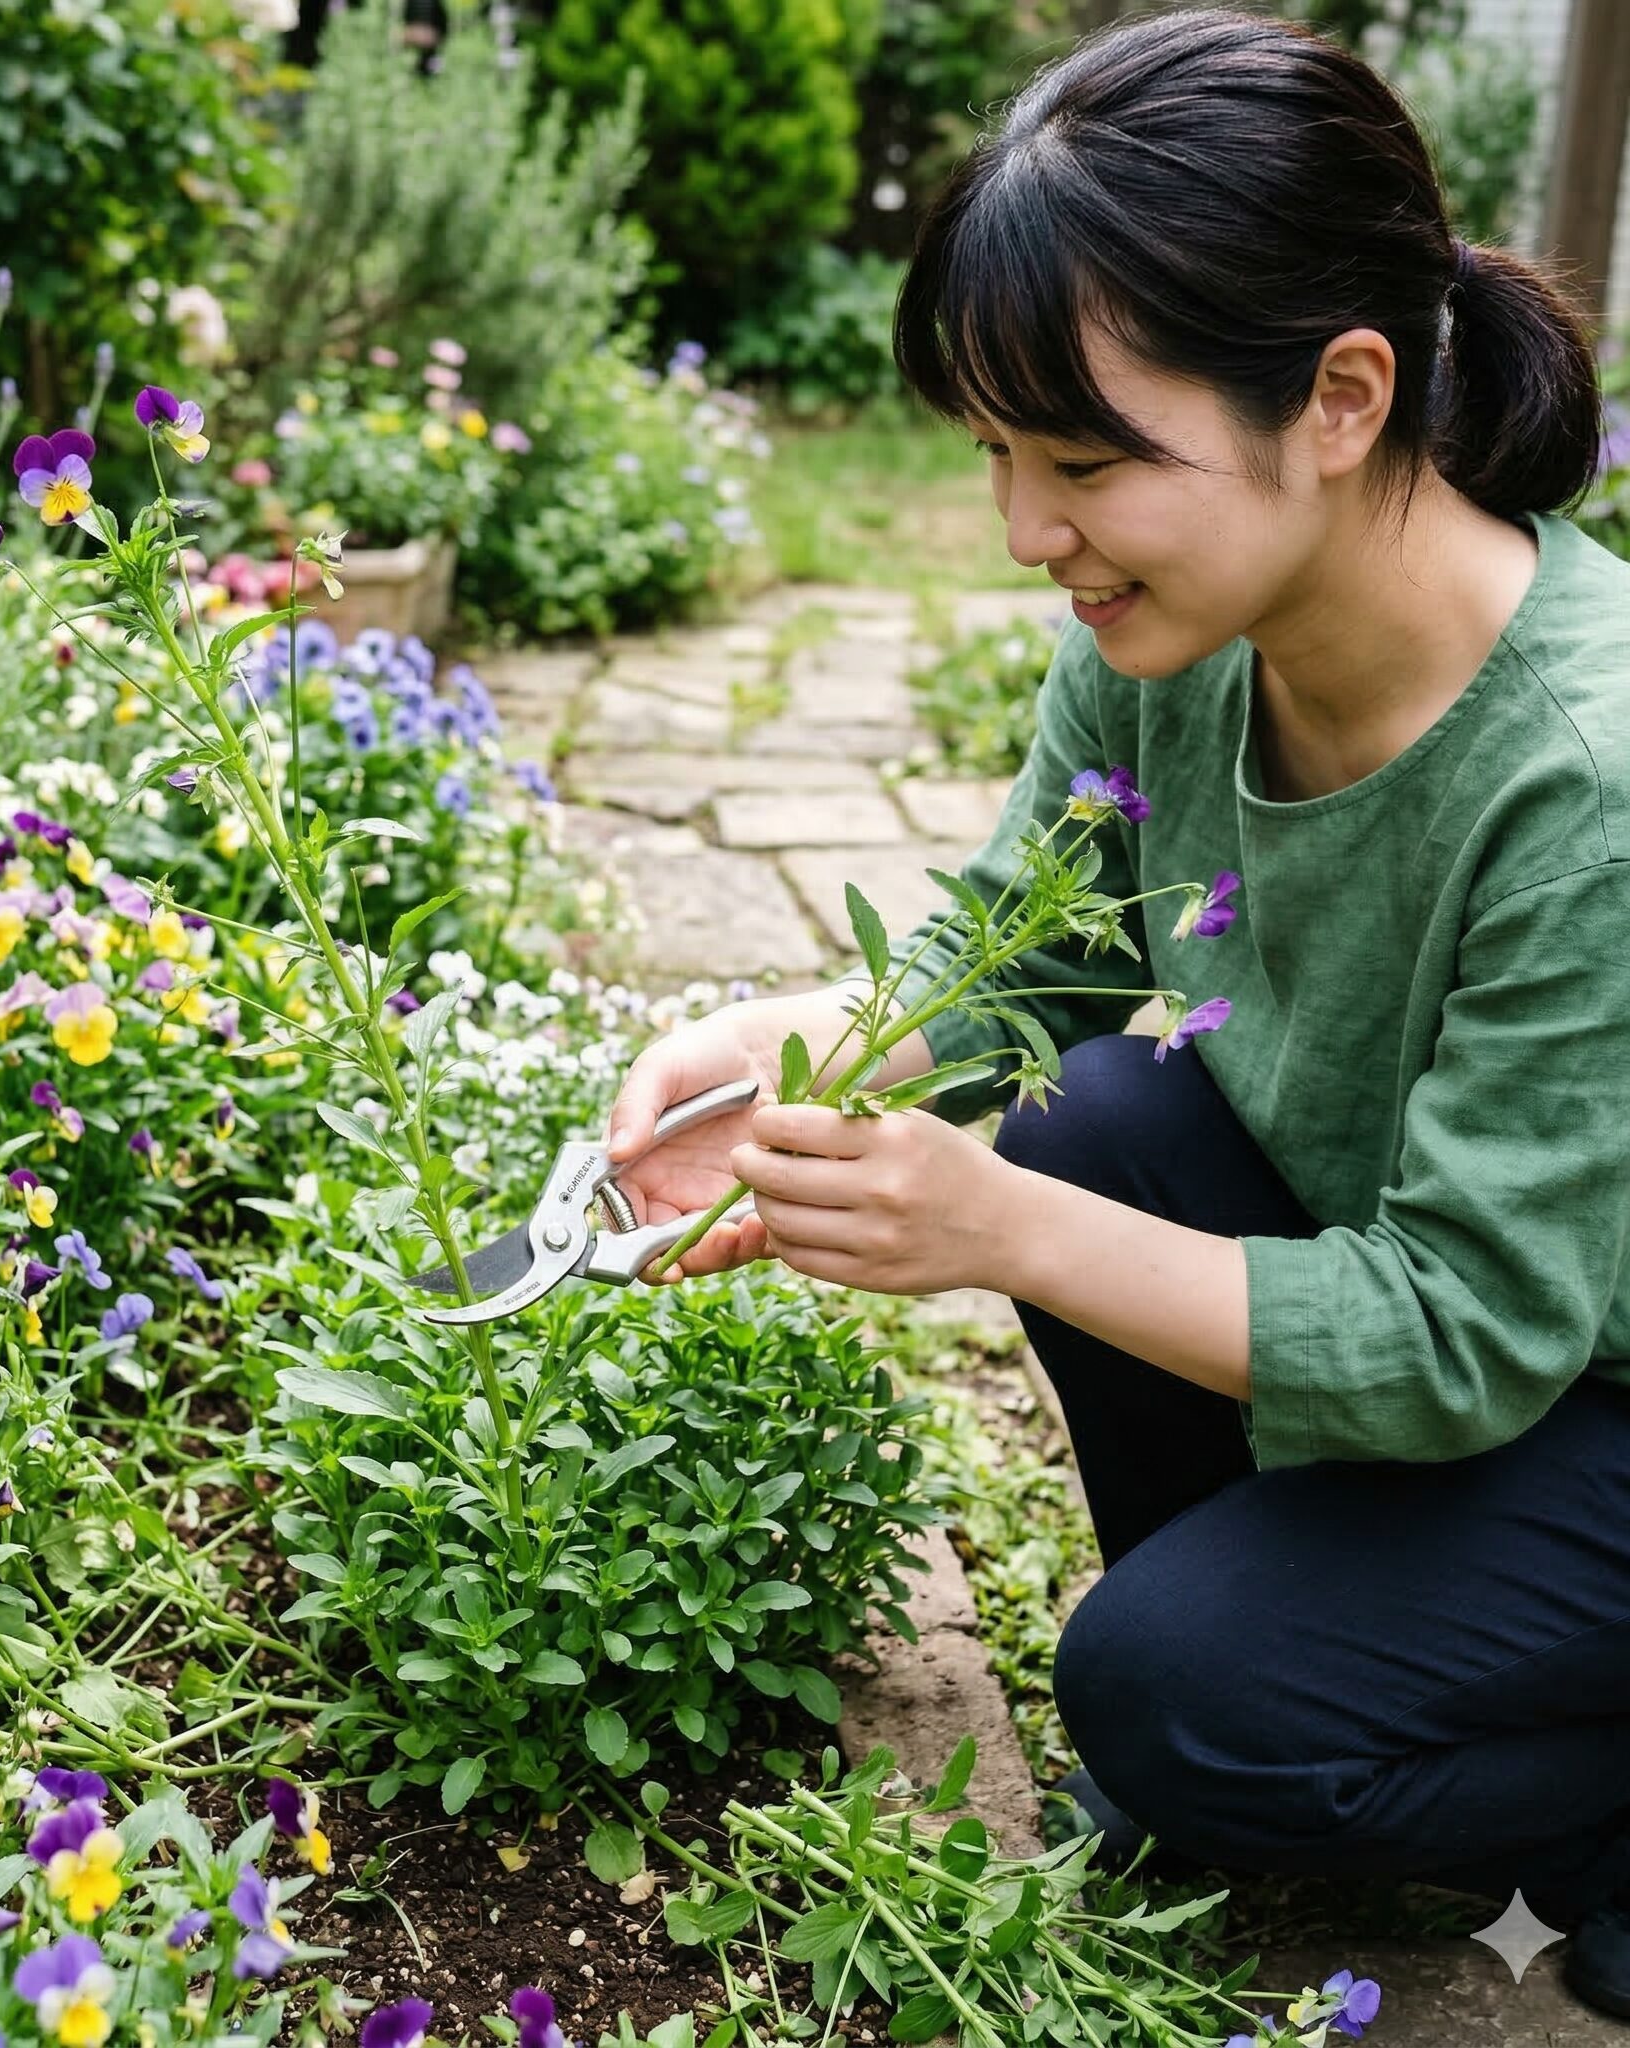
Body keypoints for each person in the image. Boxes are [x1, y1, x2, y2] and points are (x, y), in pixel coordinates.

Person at [602, 6, 1630, 2022]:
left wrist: (982, 1230)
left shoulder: (1583, 786)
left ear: (1341, 395)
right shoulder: (1184, 634)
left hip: (1578, 1385)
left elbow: (1467, 1329)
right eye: (996, 453)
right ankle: (1298, 1661)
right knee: (1095, 1111)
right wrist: (775, 1047)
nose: (1020, 530)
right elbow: (1030, 939)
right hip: (1462, 1342)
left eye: (1081, 460)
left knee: (1167, 1704)